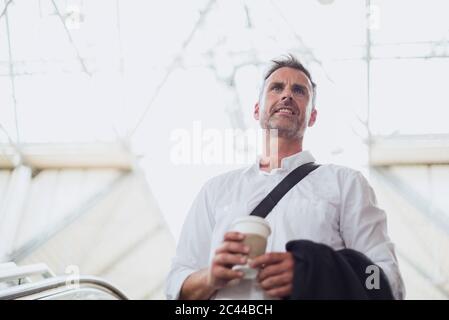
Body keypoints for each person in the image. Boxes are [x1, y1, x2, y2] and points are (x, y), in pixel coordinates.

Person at [165, 54, 405, 300]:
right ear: (257, 110)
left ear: (312, 116)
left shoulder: (346, 184)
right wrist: (210, 277)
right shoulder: (215, 190)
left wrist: (315, 274)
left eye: (299, 91)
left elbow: (385, 280)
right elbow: (176, 282)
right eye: (276, 87)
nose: (287, 95)